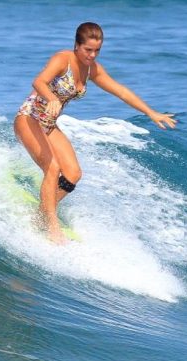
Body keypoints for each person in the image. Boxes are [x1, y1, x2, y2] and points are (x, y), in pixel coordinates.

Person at [14, 21, 176, 243]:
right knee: (52, 167)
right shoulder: (63, 59)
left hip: (49, 125)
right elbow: (39, 81)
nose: (92, 55)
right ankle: (51, 224)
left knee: (72, 174)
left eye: (97, 50)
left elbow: (121, 91)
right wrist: (51, 98)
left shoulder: (92, 69)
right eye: (88, 50)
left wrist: (151, 112)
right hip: (29, 117)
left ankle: (42, 212)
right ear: (77, 45)